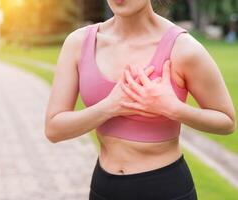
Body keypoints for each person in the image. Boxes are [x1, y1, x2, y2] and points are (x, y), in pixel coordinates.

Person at [44, 0, 236, 199]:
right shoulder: (79, 43)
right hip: (103, 188)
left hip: (165, 189)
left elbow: (226, 121)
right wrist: (110, 107)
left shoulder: (183, 48)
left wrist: (172, 108)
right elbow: (54, 129)